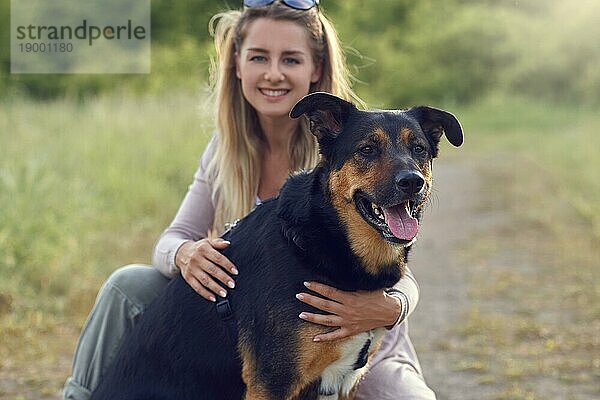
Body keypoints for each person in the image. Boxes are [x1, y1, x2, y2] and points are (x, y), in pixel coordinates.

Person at [63, 1, 436, 399]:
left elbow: (394, 260)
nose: (274, 73)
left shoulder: (347, 142)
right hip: (269, 320)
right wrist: (186, 254)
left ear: (316, 68)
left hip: (369, 325)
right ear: (238, 64)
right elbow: (174, 237)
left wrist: (391, 307)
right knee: (129, 284)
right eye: (260, 57)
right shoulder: (230, 149)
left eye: (290, 59)